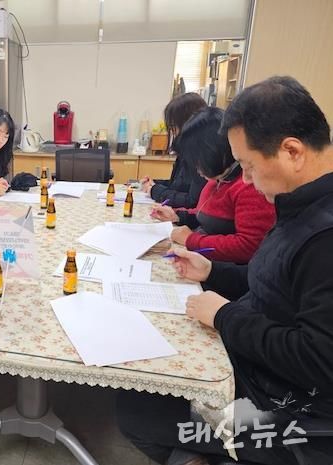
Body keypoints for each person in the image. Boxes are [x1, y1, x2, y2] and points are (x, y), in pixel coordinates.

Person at [117, 76, 333, 465]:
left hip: (291, 414)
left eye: (248, 166)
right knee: (143, 381)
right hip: (254, 365)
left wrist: (224, 316)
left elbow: (318, 360)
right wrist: (212, 272)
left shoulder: (324, 236)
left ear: (292, 151)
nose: (244, 179)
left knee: (139, 414)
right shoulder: (298, 204)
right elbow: (271, 282)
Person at [150, 107, 275, 264]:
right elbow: (207, 214)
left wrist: (191, 239)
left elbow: (248, 246)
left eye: (197, 162)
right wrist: (177, 215)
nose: (196, 170)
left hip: (223, 269)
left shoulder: (249, 185)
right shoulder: (218, 179)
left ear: (213, 152)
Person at [141, 92, 208, 208]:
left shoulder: (202, 156)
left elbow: (192, 201)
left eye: (174, 127)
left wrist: (155, 190)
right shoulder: (185, 150)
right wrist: (155, 183)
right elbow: (177, 186)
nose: (174, 133)